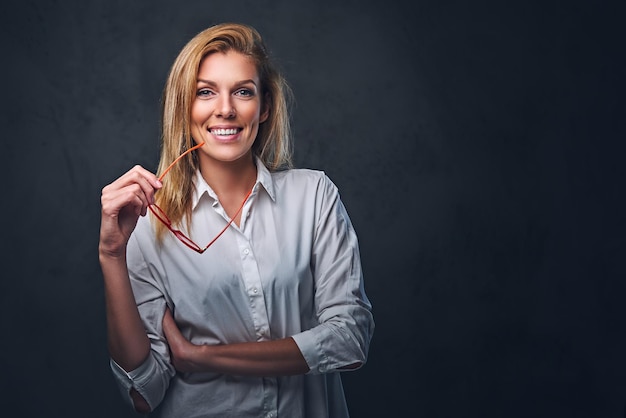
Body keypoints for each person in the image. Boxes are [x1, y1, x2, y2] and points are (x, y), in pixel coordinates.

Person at [99, 22, 374, 417]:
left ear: (263, 107)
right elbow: (143, 393)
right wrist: (112, 254)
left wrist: (201, 357)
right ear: (185, 109)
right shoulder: (146, 222)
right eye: (205, 92)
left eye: (242, 92)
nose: (225, 109)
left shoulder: (314, 196)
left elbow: (350, 341)